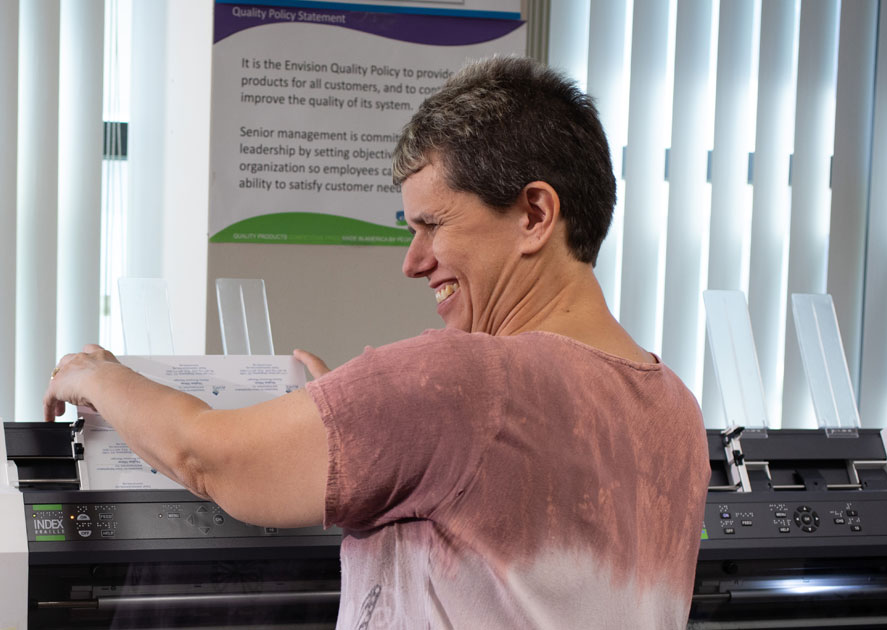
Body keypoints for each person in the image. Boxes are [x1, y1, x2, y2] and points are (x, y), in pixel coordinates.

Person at [44, 56, 708, 630]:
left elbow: (207, 456)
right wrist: (362, 420)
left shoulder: (459, 385)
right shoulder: (677, 409)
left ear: (535, 214)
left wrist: (97, 376)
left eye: (432, 225)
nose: (413, 262)